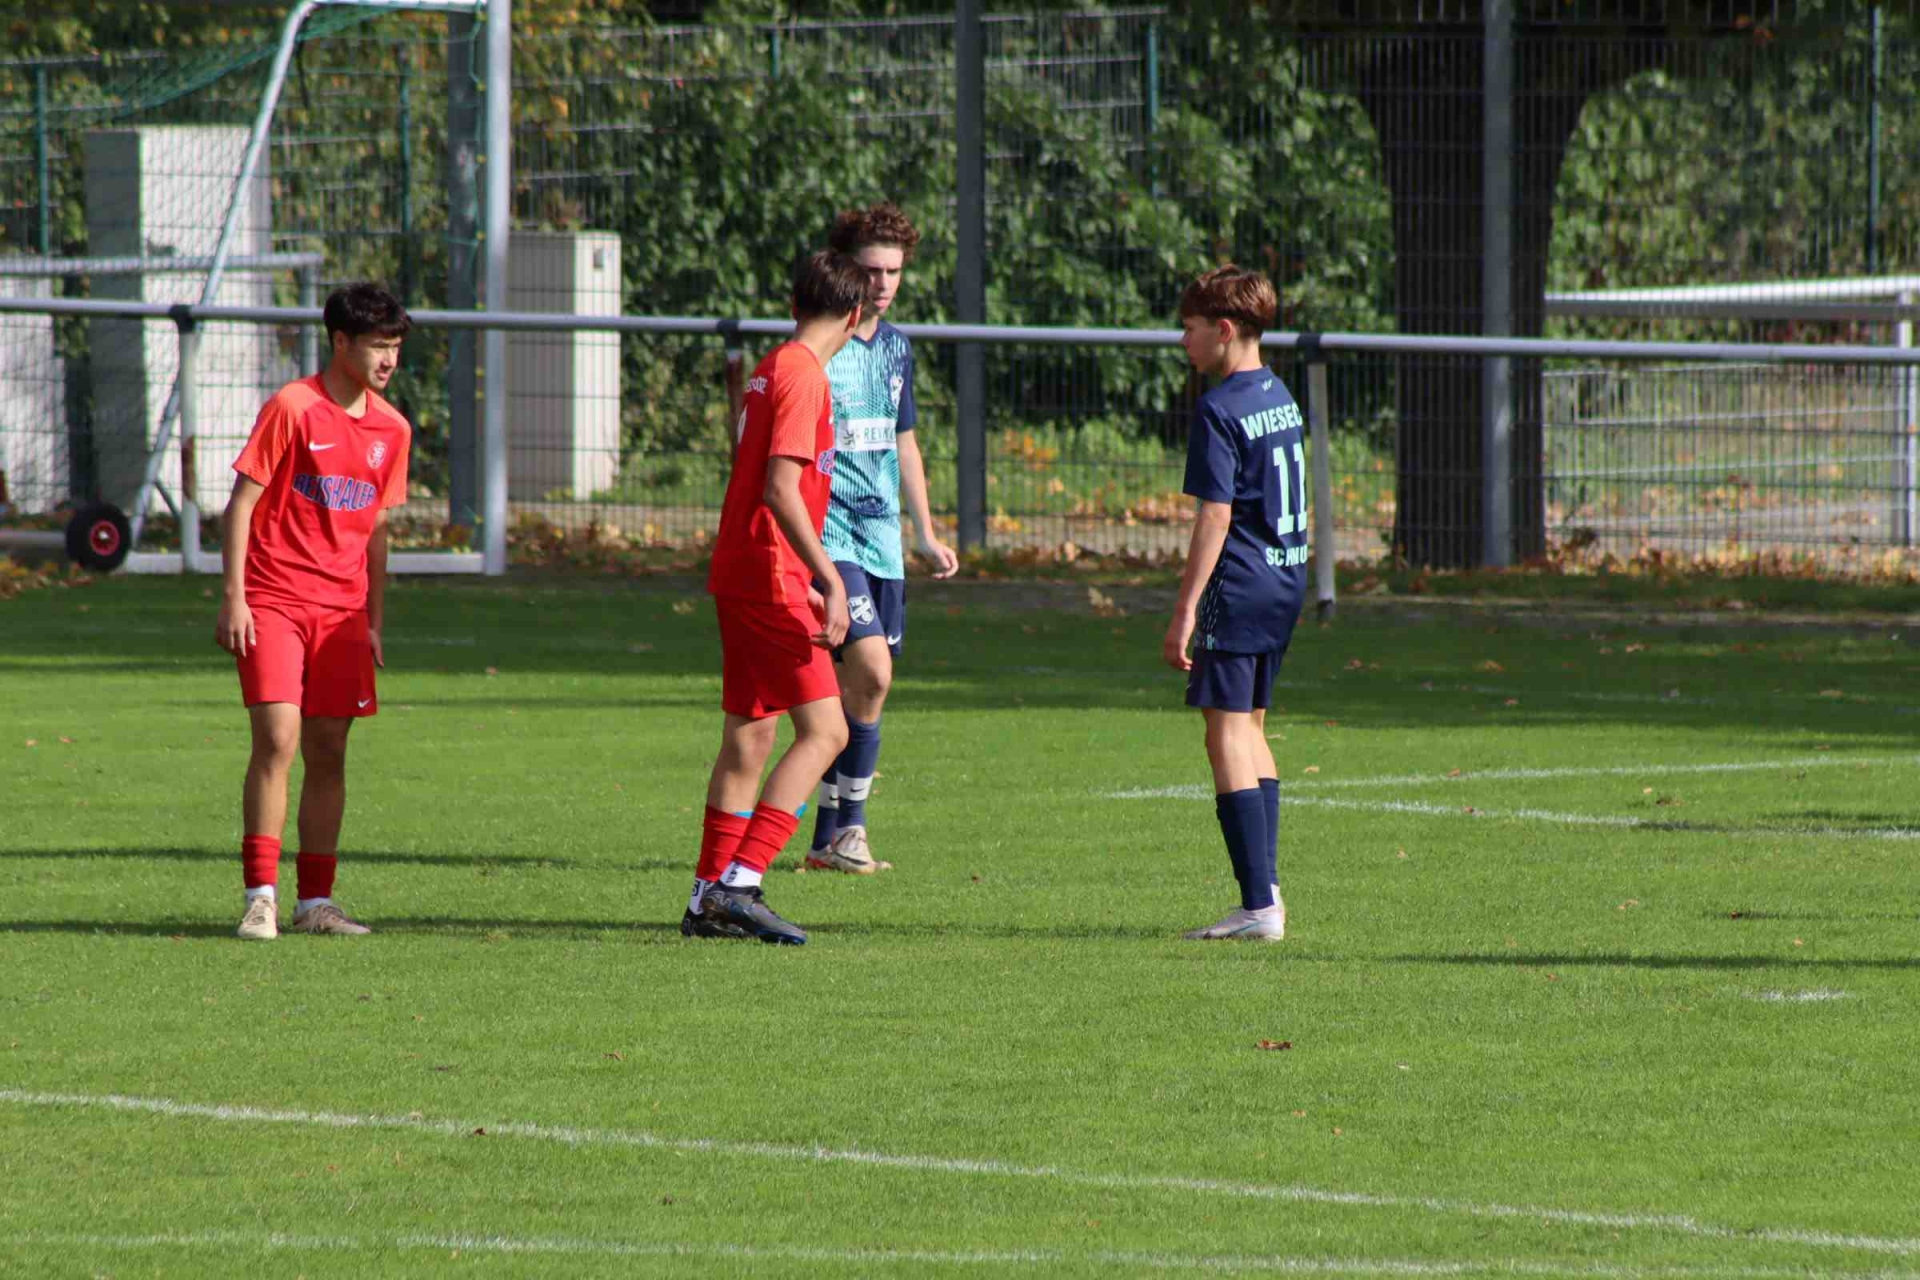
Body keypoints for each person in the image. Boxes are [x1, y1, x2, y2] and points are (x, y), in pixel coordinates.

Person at [683, 248, 872, 944]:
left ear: (795, 306)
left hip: (743, 570)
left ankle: (705, 899)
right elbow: (781, 490)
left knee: (750, 734)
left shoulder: (772, 366)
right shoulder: (804, 376)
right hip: (769, 574)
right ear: (854, 315)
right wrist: (829, 580)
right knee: (828, 731)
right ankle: (740, 884)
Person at [215, 282, 412, 941]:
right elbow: (241, 504)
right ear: (340, 342)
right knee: (278, 738)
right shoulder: (293, 407)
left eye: (395, 346)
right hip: (274, 599)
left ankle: (315, 903)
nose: (389, 359)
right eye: (378, 346)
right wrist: (235, 597)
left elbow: (377, 531)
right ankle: (261, 898)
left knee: (329, 749)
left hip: (342, 614)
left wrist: (374, 620)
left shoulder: (393, 429)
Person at [804, 202, 960, 875]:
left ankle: (827, 836)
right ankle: (852, 832)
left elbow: (904, 442)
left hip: (881, 540)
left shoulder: (896, 347)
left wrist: (924, 530)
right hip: (829, 536)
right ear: (847, 269)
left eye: (894, 271)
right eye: (872, 270)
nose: (884, 283)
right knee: (872, 670)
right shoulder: (818, 348)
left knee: (861, 692)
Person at [1161, 265, 1309, 942]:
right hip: (1285, 578)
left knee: (1223, 733)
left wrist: (1185, 609)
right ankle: (1266, 893)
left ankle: (1257, 906)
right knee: (1251, 727)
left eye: (1190, 328)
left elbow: (1215, 515)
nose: (1183, 341)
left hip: (1241, 584)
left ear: (1224, 330)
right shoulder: (1279, 393)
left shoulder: (1220, 408)